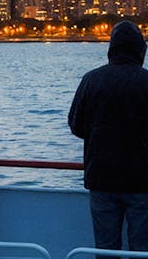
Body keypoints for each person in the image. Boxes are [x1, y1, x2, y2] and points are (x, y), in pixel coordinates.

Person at [68, 20, 148, 251]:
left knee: (105, 248)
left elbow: (75, 124)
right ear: (140, 50)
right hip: (142, 180)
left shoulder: (91, 80)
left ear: (111, 49)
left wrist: (99, 136)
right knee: (141, 249)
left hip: (101, 177)